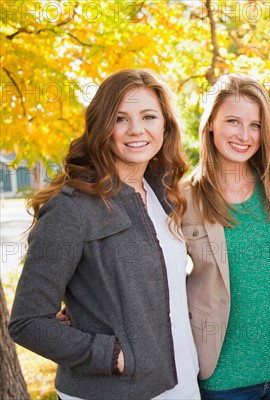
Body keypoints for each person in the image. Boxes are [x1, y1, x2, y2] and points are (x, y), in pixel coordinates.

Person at [8, 69, 200, 399]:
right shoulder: (71, 207)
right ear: (102, 127)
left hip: (181, 380)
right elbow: (28, 322)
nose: (136, 129)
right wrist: (113, 356)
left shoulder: (162, 193)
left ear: (165, 126)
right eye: (120, 118)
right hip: (112, 390)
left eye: (148, 116)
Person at [182, 73, 270, 400]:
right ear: (211, 123)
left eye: (254, 125)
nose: (244, 135)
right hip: (224, 378)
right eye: (232, 121)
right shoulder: (183, 198)